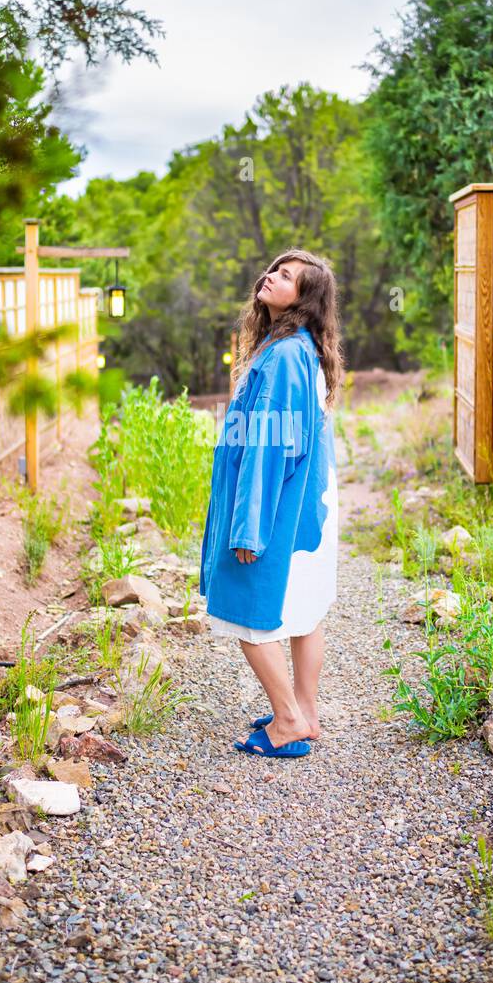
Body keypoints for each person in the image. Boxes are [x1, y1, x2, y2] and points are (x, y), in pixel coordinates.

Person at [198, 250, 343, 759]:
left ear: (303, 299)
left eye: (286, 277)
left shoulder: (282, 358)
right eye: (274, 270)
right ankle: (306, 710)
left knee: (247, 613)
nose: (271, 277)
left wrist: (249, 528)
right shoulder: (303, 348)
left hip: (275, 508)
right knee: (304, 613)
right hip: (308, 502)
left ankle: (287, 721)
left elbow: (267, 446)